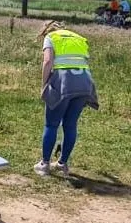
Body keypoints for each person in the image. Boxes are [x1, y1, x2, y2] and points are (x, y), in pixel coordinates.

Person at [35, 20, 99, 176]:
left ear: (46, 30)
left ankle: (44, 165)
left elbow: (48, 61)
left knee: (51, 124)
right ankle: (62, 164)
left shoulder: (50, 37)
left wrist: (44, 85)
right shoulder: (78, 38)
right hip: (85, 82)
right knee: (70, 125)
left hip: (64, 81)